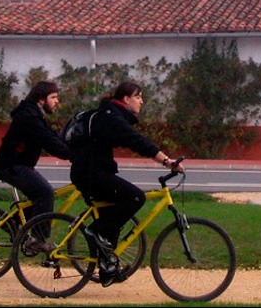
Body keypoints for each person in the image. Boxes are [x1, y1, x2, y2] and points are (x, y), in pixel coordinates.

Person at [69, 81, 183, 287]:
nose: (142, 101)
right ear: (126, 99)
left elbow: (134, 140)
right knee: (135, 197)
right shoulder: (112, 117)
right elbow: (137, 141)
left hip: (91, 170)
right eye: (138, 97)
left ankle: (107, 269)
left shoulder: (111, 114)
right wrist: (167, 161)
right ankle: (95, 230)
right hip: (91, 172)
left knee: (113, 217)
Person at [0, 80, 74, 253]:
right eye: (53, 97)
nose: (57, 101)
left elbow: (53, 137)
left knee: (39, 198)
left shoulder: (35, 114)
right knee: (45, 193)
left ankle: (11, 223)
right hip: (11, 165)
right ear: (41, 99)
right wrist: (72, 156)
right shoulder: (28, 116)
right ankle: (38, 240)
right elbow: (48, 141)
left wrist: (76, 150)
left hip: (20, 164)